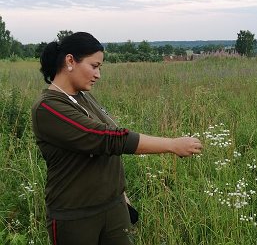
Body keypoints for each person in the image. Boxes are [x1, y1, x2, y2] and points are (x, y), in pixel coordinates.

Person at [31, 32, 203, 245]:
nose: (98, 75)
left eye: (100, 68)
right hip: (76, 216)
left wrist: (119, 194)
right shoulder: (48, 108)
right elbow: (106, 138)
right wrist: (172, 144)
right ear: (70, 61)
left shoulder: (83, 96)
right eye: (94, 66)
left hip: (113, 207)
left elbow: (109, 141)